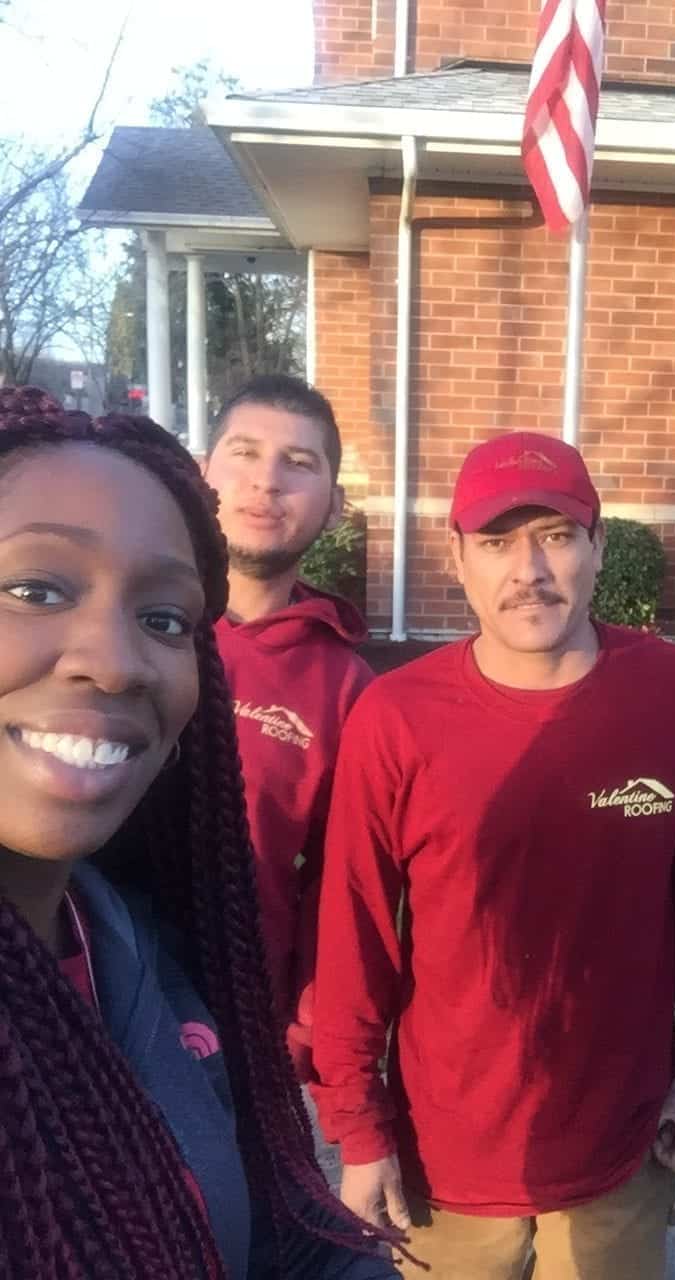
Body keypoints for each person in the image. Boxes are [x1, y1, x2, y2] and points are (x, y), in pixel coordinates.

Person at [311, 431, 675, 1278]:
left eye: (555, 535)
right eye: (497, 542)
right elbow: (355, 933)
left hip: (623, 1140)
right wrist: (361, 1132)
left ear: (600, 545)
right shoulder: (398, 718)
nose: (529, 571)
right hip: (449, 1154)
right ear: (459, 558)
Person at [0, 385, 398, 1278]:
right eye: (34, 589)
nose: (110, 660)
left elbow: (272, 1222)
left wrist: (304, 1062)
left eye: (165, 621)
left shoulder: (126, 949)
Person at [203, 375, 372, 1078]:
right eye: (244, 452)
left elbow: (337, 890)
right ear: (201, 471)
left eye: (299, 463)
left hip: (235, 1038)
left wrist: (306, 1035)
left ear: (333, 506)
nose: (266, 481)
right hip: (62, 996)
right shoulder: (116, 619)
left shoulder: (345, 687)